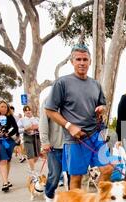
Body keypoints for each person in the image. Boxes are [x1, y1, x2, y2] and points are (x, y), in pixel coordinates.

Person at [45, 43, 112, 190]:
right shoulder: (62, 83)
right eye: (78, 59)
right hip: (75, 139)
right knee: (76, 178)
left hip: (96, 136)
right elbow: (49, 110)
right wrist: (69, 126)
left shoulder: (96, 84)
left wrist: (102, 109)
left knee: (108, 169)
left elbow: (104, 105)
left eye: (85, 59)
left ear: (90, 61)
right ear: (72, 61)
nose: (82, 63)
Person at [39, 100, 64, 202]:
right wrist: (45, 142)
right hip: (55, 145)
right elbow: (43, 122)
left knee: (72, 175)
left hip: (72, 144)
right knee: (55, 174)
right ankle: (49, 193)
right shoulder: (49, 101)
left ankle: (72, 198)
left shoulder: (73, 98)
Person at [17, 105, 41, 175]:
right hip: (27, 137)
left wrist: (37, 127)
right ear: (24, 112)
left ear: (31, 111)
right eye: (26, 110)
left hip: (37, 137)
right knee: (30, 155)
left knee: (37, 155)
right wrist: (26, 128)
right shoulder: (21, 120)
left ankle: (31, 166)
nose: (28, 111)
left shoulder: (36, 119)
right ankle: (33, 171)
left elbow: (42, 127)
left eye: (29, 110)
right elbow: (18, 130)